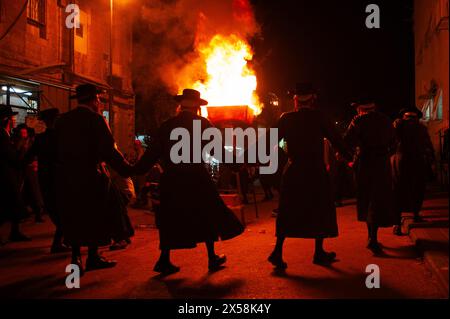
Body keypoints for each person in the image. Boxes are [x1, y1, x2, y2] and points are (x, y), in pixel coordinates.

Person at [133, 89, 244, 275]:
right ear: (197, 108)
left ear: (181, 105)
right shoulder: (203, 124)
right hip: (196, 177)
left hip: (172, 178)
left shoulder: (167, 125)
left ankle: (164, 260)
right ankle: (211, 258)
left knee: (170, 219)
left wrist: (134, 170)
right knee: (206, 214)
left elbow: (152, 154)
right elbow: (217, 151)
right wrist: (235, 164)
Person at [268, 83, 351, 269]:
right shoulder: (319, 117)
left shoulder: (286, 118)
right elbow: (337, 140)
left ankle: (277, 251)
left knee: (288, 212)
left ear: (295, 100)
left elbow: (267, 141)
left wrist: (245, 160)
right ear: (313, 100)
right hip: (315, 171)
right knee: (319, 209)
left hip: (294, 171)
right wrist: (350, 157)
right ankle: (319, 252)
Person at [54, 84, 132, 274]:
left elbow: (55, 149)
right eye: (98, 99)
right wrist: (126, 169)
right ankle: (93, 256)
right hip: (91, 176)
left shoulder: (63, 120)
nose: (99, 102)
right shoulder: (96, 119)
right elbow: (108, 150)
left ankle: (75, 257)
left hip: (67, 177)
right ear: (94, 100)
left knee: (74, 216)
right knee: (95, 216)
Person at [344, 99, 395, 255]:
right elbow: (394, 142)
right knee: (378, 199)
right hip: (382, 163)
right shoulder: (386, 120)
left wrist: (351, 157)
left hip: (365, 163)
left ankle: (371, 238)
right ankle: (372, 236)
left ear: (360, 109)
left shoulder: (358, 121)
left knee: (367, 199)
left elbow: (348, 141)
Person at [29, 108, 70, 252]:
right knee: (64, 210)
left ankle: (61, 240)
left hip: (45, 178)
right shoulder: (63, 138)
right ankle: (61, 241)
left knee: (55, 210)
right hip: (61, 177)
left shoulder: (40, 139)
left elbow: (28, 157)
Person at [391, 107, 435, 235]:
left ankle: (397, 223)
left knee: (399, 191)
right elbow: (428, 146)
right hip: (416, 162)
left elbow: (390, 142)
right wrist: (431, 160)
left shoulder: (398, 126)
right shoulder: (421, 128)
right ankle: (415, 215)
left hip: (401, 162)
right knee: (416, 189)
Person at [0, 105, 30, 242]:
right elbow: (11, 157)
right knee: (8, 206)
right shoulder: (1, 135)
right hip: (6, 176)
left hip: (10, 175)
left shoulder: (6, 134)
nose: (14, 120)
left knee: (12, 206)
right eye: (12, 117)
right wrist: (22, 148)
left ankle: (15, 232)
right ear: (6, 120)